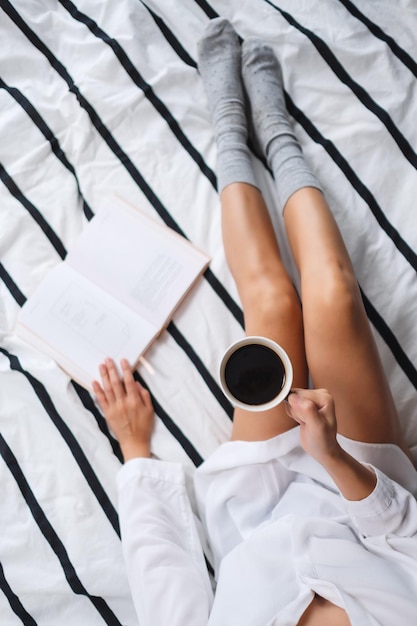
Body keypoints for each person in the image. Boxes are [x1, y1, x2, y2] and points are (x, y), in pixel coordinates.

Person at [92, 18, 417, 626]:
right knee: (332, 296)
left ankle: (230, 130)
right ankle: (279, 132)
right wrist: (334, 458)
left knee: (270, 304)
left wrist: (135, 449)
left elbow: (165, 577)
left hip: (256, 503)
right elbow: (406, 541)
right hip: (365, 496)